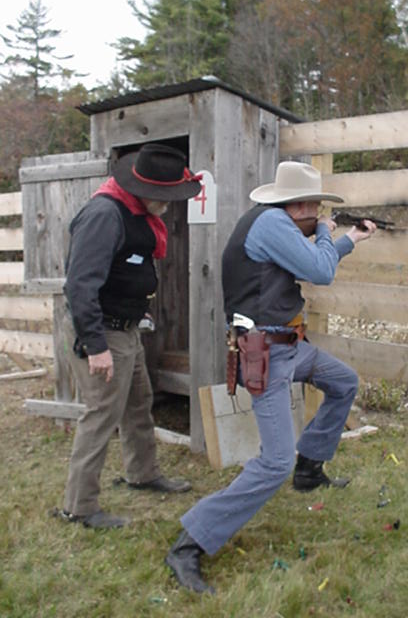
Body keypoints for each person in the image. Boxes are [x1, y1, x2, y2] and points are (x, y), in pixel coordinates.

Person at [165, 161, 376, 593]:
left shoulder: (274, 222)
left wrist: (350, 238)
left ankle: (310, 468)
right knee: (275, 461)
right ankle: (190, 544)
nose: (317, 213)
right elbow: (320, 270)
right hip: (267, 356)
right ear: (299, 205)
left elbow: (315, 260)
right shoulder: (271, 225)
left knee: (344, 382)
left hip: (288, 347)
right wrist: (324, 233)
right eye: (315, 207)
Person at [59, 144, 202, 529]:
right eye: (166, 197)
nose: (170, 205)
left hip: (125, 328)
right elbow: (79, 286)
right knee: (101, 414)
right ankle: (80, 507)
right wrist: (95, 346)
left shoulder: (135, 211)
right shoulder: (105, 215)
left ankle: (143, 474)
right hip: (101, 329)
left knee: (139, 403)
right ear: (144, 189)